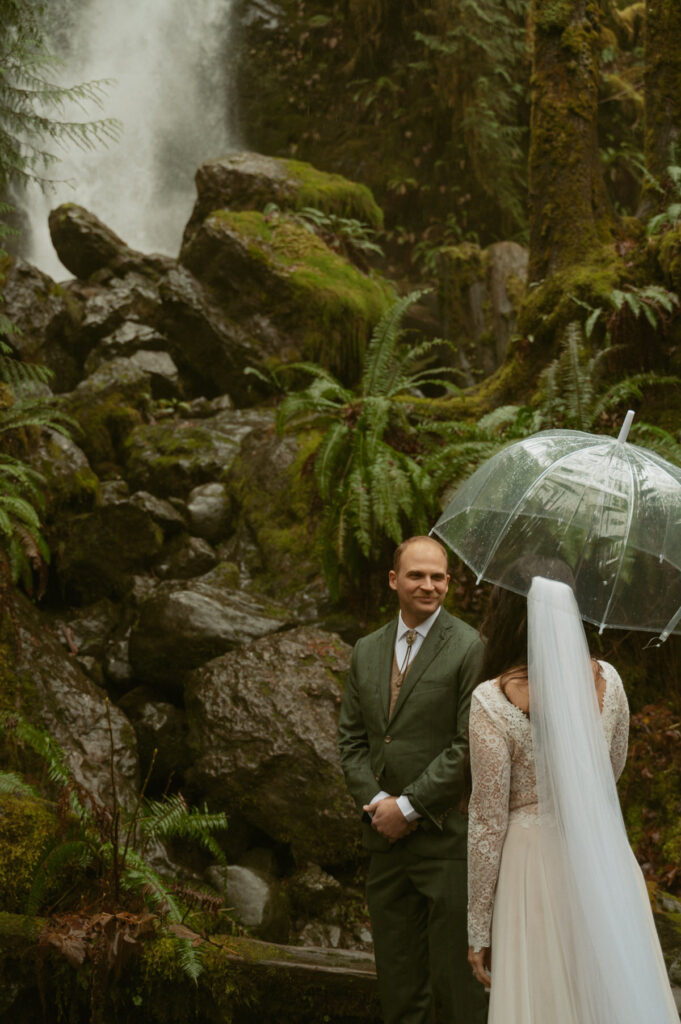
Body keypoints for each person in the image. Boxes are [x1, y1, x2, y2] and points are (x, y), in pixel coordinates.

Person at [467, 565, 679, 1024]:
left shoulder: (491, 699)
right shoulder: (610, 682)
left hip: (530, 865)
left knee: (543, 998)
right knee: (610, 989)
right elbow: (611, 770)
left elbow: (486, 820)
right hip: (601, 853)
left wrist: (477, 927)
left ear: (509, 612)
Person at [338, 535, 488, 1024]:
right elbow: (353, 743)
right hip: (384, 843)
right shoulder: (366, 650)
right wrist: (380, 803)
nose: (429, 586)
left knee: (455, 988)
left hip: (444, 841)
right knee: (400, 986)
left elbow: (467, 745)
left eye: (438, 576)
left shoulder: (469, 647)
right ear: (393, 580)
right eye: (417, 575)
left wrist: (409, 807)